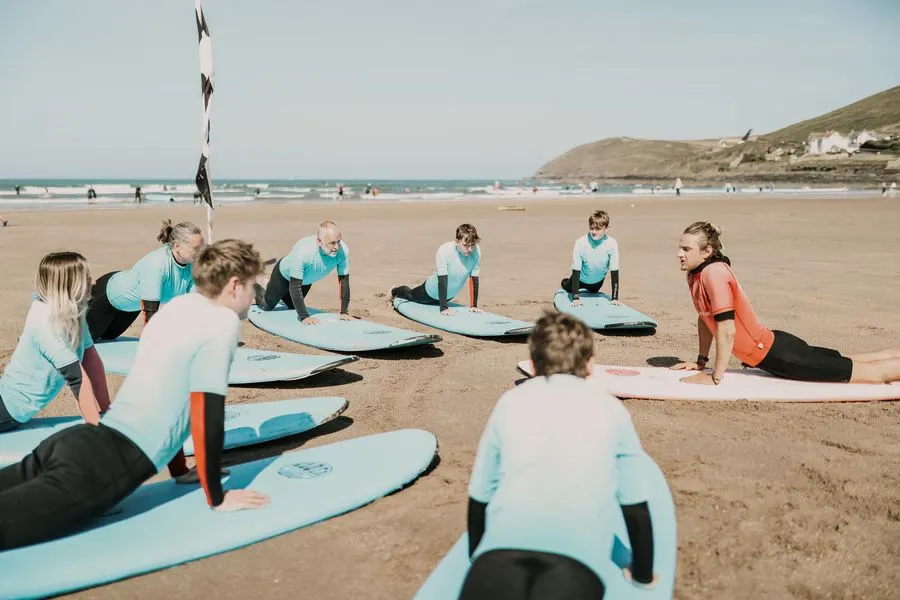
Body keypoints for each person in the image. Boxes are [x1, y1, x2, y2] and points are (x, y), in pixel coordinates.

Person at [0, 239, 270, 550]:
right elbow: (205, 411)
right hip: (101, 467)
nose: (253, 298)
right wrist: (217, 497)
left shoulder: (176, 309)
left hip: (76, 442)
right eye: (252, 288)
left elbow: (165, 395)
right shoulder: (221, 322)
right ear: (235, 285)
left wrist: (181, 471)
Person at [461, 312, 657, 599]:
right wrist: (642, 577)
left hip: (495, 563)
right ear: (590, 364)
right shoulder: (610, 408)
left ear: (533, 364)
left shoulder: (510, 401)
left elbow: (479, 495)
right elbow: (635, 507)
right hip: (574, 569)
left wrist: (475, 558)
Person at [673, 221, 900, 385]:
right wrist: (701, 361)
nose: (679, 254)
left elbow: (727, 330)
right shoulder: (696, 274)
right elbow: (705, 318)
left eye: (686, 249)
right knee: (849, 362)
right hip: (775, 346)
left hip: (779, 356)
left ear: (707, 251)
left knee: (875, 375)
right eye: (680, 247)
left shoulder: (714, 273)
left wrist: (715, 377)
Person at [0, 252, 110, 433]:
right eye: (85, 278)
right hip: (7, 408)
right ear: (68, 284)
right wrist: (97, 431)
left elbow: (91, 361)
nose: (94, 282)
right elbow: (77, 379)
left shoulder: (74, 311)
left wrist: (107, 411)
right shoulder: (45, 319)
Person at [85, 220, 204, 341]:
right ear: (177, 246)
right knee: (85, 341)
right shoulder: (156, 264)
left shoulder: (191, 267)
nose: (201, 252)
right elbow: (150, 314)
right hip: (107, 297)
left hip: (130, 308)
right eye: (196, 248)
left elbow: (194, 306)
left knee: (108, 337)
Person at [254, 221, 351, 325]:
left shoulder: (343, 251)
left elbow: (344, 283)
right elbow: (295, 287)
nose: (336, 247)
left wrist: (344, 312)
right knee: (266, 306)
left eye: (338, 241)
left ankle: (275, 290)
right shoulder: (304, 251)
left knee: (292, 305)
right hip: (283, 275)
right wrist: (304, 317)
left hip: (304, 280)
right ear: (319, 242)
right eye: (332, 243)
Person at [391, 223, 482, 316]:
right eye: (466, 245)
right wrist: (443, 307)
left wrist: (473, 305)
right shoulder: (445, 250)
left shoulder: (476, 252)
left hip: (448, 296)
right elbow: (442, 279)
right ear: (456, 241)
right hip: (429, 292)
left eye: (473, 245)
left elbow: (474, 279)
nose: (470, 249)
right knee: (409, 295)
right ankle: (394, 290)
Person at [561, 210, 620, 307]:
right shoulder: (580, 243)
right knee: (566, 286)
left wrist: (615, 298)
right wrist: (575, 297)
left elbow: (614, 270)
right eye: (591, 228)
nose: (594, 232)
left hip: (597, 283)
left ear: (607, 229)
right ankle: (565, 282)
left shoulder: (612, 244)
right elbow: (576, 270)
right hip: (579, 280)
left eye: (598, 229)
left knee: (593, 291)